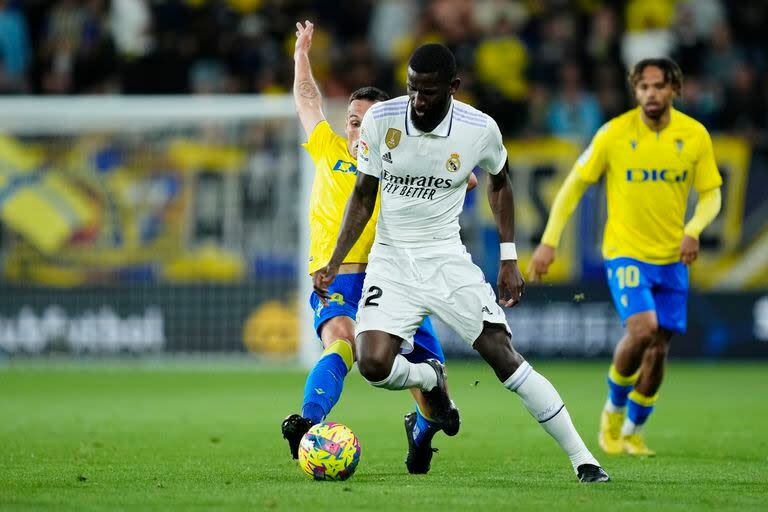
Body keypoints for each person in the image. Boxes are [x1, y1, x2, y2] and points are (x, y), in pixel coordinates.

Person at [313, 43, 609, 483]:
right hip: (391, 261)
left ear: (453, 88)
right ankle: (430, 377)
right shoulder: (382, 119)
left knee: (502, 357)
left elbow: (500, 183)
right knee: (372, 365)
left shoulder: (478, 129)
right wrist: (335, 260)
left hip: (446, 259)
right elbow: (363, 194)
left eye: (429, 92)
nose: (417, 100)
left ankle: (584, 459)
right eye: (412, 89)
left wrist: (509, 257)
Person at [282, 22, 475, 474]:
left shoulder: (403, 162)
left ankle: (421, 430)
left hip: (396, 279)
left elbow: (455, 172)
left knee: (435, 391)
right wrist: (301, 55)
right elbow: (308, 100)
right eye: (352, 121)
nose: (356, 130)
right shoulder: (328, 149)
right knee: (342, 343)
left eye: (367, 122)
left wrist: (461, 174)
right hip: (338, 277)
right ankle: (307, 423)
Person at [529, 58, 722, 456]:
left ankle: (632, 429)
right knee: (643, 330)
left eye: (658, 86)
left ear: (674, 90)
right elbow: (572, 186)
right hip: (625, 253)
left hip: (672, 258)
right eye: (643, 87)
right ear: (635, 92)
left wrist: (693, 229)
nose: (651, 93)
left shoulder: (695, 136)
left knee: (659, 347)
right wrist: (549, 241)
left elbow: (711, 194)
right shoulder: (613, 134)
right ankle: (613, 411)